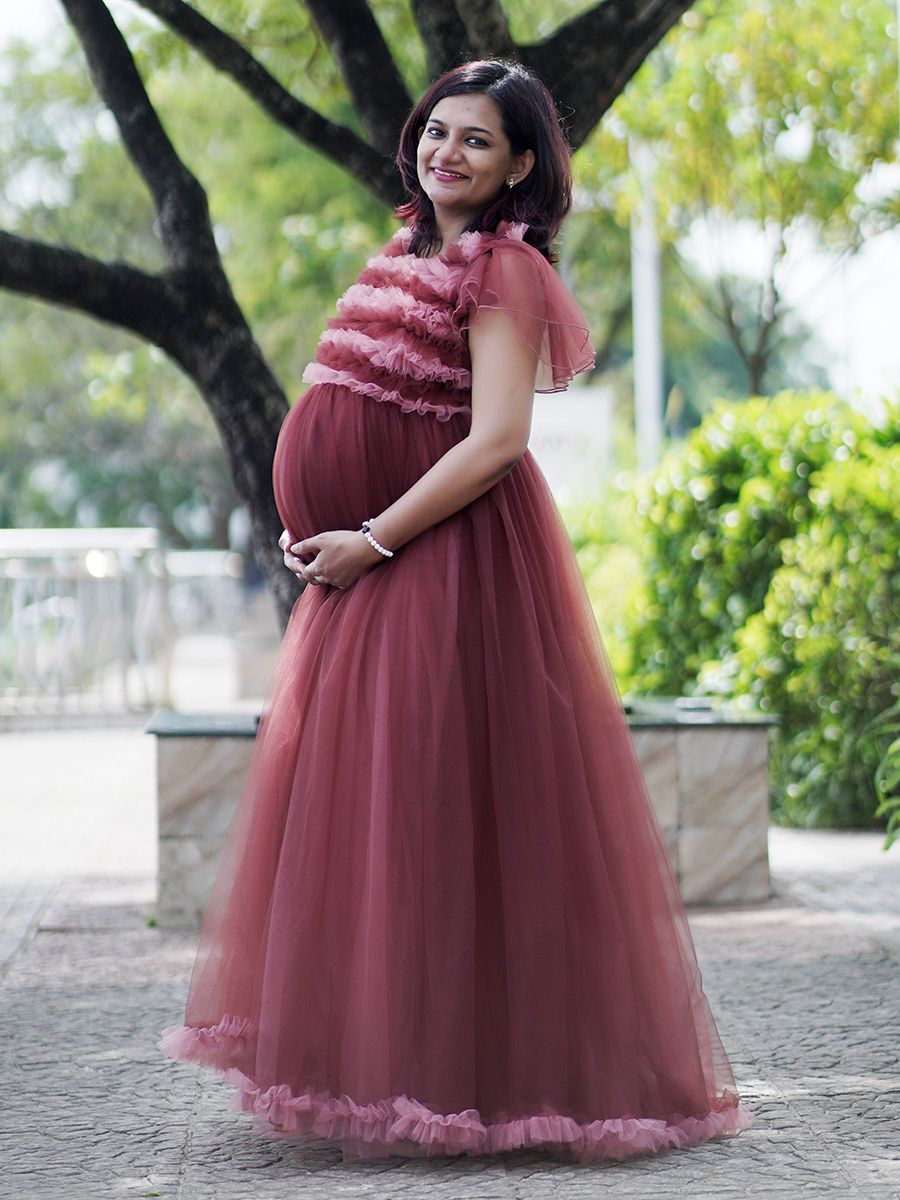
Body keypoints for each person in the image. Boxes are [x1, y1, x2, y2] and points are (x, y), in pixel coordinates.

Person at [159, 59, 754, 1165]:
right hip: (366, 571)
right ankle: (378, 1064)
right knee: (377, 827)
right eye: (438, 132)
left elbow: (497, 440)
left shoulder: (508, 271)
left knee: (437, 819)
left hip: (442, 563)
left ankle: (470, 1078)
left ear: (521, 165)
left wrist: (373, 534)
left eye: (477, 141)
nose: (447, 153)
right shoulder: (413, 248)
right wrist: (331, 533)